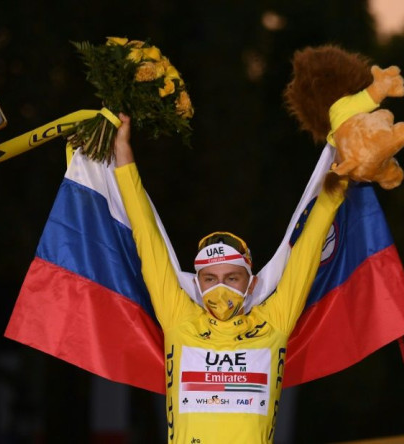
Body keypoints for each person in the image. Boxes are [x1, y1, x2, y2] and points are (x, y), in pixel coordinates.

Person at [113, 113, 348, 443]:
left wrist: (337, 187)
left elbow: (307, 253)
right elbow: (146, 235)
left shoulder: (274, 321)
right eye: (210, 278)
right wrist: (121, 149)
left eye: (232, 278)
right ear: (196, 284)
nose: (220, 287)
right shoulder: (178, 318)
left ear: (251, 284)